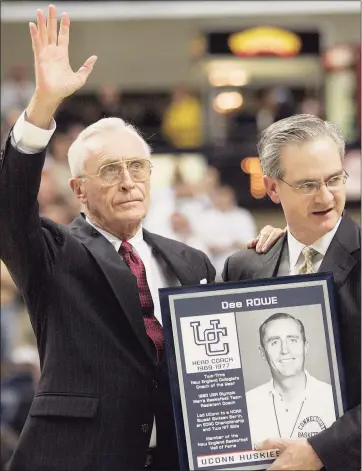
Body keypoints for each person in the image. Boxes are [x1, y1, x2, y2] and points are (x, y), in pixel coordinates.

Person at [0, 6, 215, 471]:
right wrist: (42, 106)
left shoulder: (192, 261)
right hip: (81, 457)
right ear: (79, 189)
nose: (128, 182)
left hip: (178, 458)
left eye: (138, 167)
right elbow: (10, 212)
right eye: (111, 170)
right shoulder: (54, 253)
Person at [223, 114, 360, 471]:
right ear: (271, 188)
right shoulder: (245, 267)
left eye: (334, 179)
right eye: (307, 185)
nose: (326, 196)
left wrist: (320, 450)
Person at [246, 313, 336, 448]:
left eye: (292, 340)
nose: (285, 350)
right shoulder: (246, 404)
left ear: (305, 347)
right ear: (262, 353)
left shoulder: (333, 399)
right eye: (274, 342)